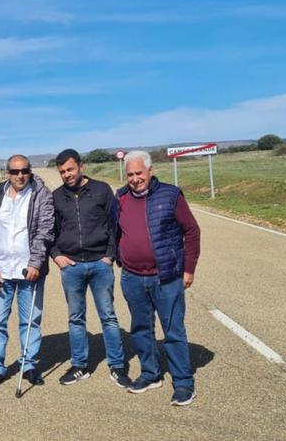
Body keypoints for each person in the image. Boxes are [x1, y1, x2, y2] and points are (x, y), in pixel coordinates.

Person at [116, 150, 201, 406]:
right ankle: (150, 374)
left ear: (150, 171)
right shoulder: (120, 198)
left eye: (139, 173)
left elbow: (192, 231)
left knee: (173, 331)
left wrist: (189, 269)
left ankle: (184, 383)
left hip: (166, 278)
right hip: (132, 277)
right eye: (130, 174)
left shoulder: (170, 194)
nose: (134, 179)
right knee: (141, 329)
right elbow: (114, 231)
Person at [51, 149, 130, 387]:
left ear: (81, 166)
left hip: (100, 264)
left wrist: (109, 256)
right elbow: (49, 231)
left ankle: (117, 366)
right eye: (62, 171)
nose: (67, 175)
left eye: (70, 169)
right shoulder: (56, 196)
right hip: (71, 267)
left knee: (108, 316)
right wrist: (56, 255)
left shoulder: (102, 190)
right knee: (76, 318)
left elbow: (114, 224)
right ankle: (80, 366)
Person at [0, 154, 54, 390]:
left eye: (24, 171)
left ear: (29, 171)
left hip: (30, 272)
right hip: (1, 272)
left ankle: (29, 364)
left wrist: (36, 262)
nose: (19, 176)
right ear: (7, 173)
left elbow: (46, 230)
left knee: (30, 321)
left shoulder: (41, 194)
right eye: (14, 171)